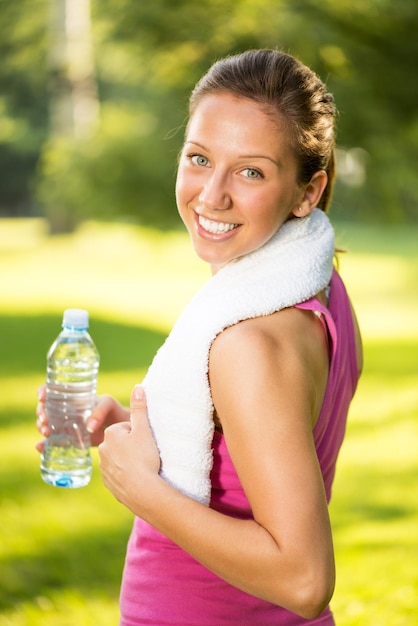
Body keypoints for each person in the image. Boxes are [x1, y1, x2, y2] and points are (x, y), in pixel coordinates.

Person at [37, 49, 363, 625]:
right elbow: (252, 451)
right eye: (199, 158)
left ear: (308, 192)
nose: (212, 195)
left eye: (251, 170)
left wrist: (144, 491)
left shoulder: (247, 342)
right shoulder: (321, 292)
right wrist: (132, 430)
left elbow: (306, 579)